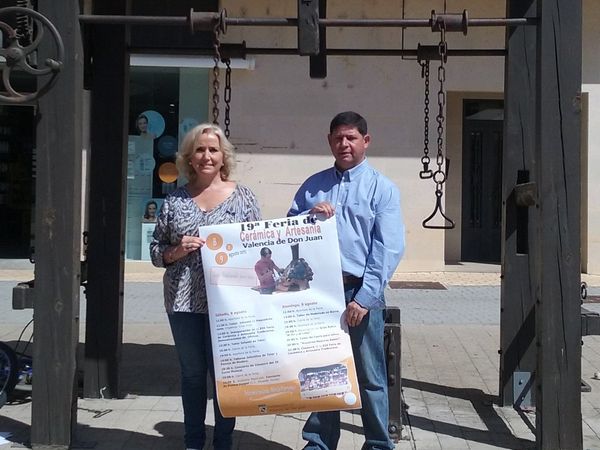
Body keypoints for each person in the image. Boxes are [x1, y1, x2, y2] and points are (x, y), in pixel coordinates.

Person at [287, 111, 405, 450]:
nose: (344, 144)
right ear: (329, 141)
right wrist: (310, 217)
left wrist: (364, 299)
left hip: (360, 292)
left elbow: (388, 247)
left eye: (351, 137)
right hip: (319, 292)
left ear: (365, 141)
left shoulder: (382, 188)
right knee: (320, 370)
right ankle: (319, 442)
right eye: (338, 138)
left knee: (370, 375)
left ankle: (379, 444)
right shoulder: (312, 186)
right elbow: (289, 231)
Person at [150, 123, 261, 450]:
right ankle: (193, 442)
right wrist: (175, 250)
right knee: (193, 376)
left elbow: (259, 248)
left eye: (213, 149)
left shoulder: (244, 197)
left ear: (223, 155)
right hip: (183, 303)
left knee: (227, 378)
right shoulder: (175, 201)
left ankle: (223, 442)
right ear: (189, 157)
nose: (206, 156)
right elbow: (156, 252)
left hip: (229, 304)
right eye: (199, 150)